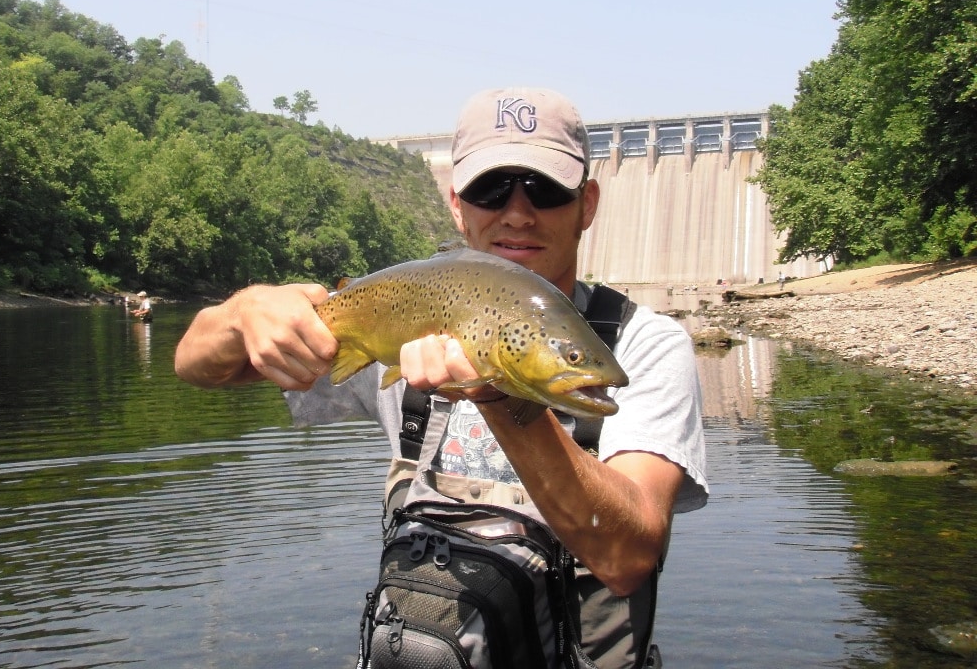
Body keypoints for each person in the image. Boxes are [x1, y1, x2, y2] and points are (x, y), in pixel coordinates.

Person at [174, 87, 708, 667]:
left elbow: (627, 556)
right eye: (491, 189)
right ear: (458, 204)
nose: (517, 212)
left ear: (588, 204)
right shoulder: (395, 311)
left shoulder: (645, 346)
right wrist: (241, 314)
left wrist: (499, 396)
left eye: (547, 189)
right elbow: (199, 367)